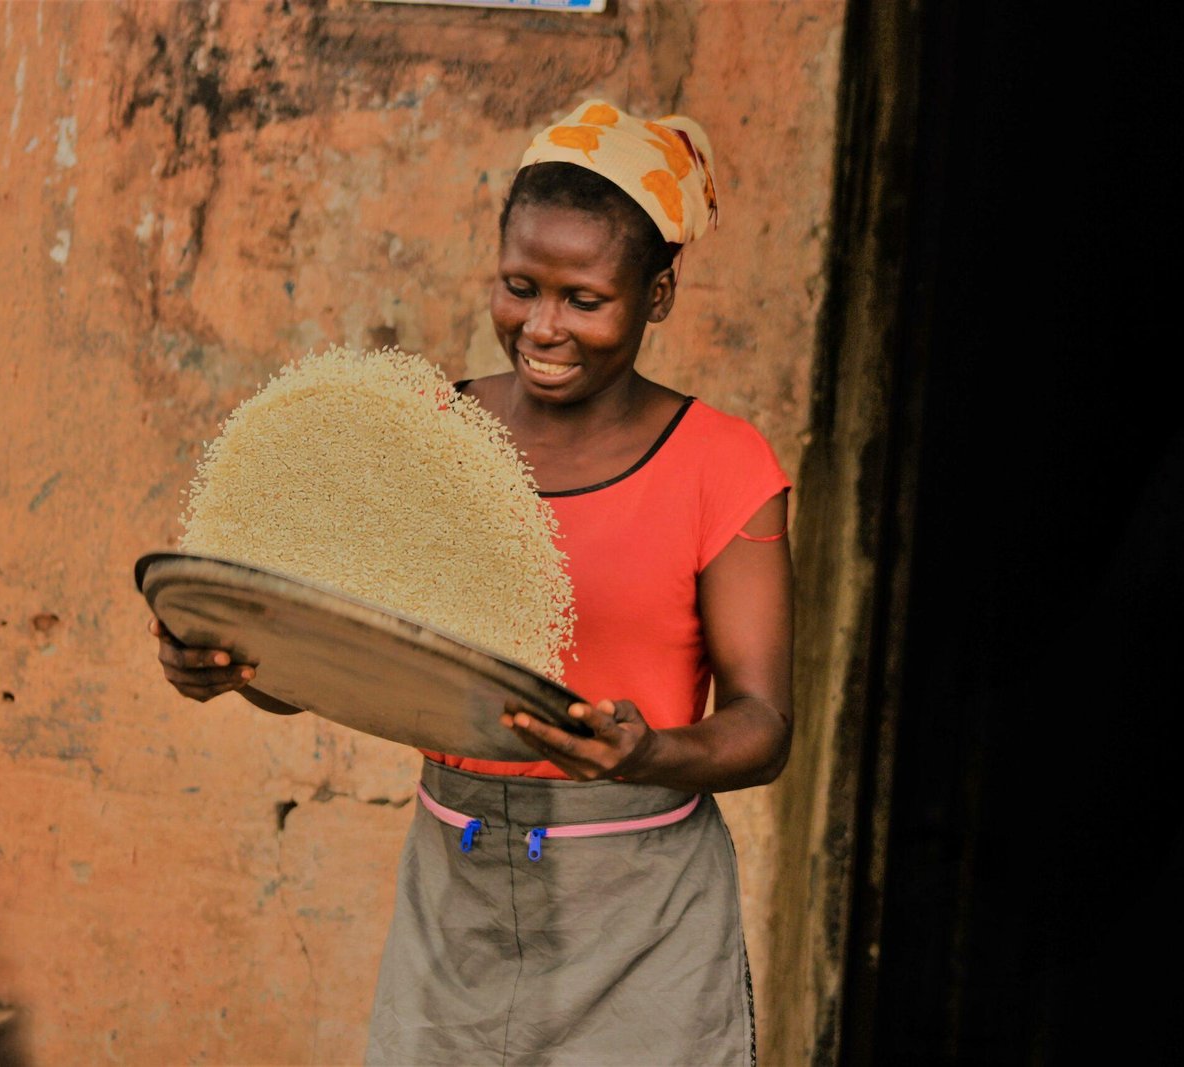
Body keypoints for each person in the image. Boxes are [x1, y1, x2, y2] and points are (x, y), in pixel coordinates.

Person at [152, 100, 792, 1066]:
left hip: (643, 914)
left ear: (656, 296)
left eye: (585, 298)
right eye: (519, 286)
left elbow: (763, 724)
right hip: (453, 901)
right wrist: (238, 667)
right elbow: (350, 658)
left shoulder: (723, 465)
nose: (541, 326)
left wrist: (644, 750)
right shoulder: (430, 439)